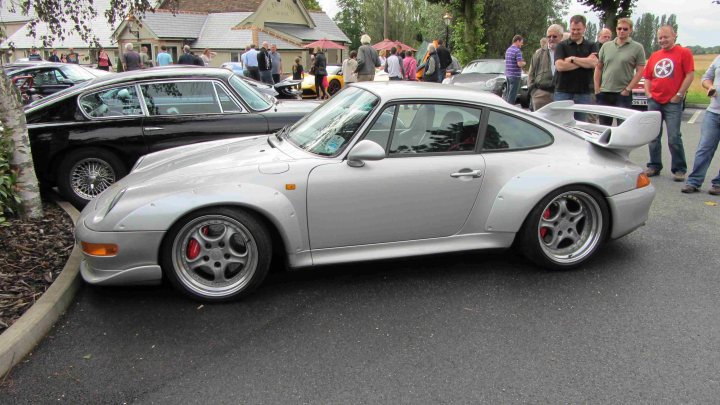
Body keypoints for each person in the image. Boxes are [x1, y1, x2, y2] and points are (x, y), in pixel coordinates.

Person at [642, 25, 694, 181]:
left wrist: (679, 95)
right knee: (653, 137)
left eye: (666, 37)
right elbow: (648, 77)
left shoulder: (684, 53)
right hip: (654, 101)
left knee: (674, 137)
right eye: (660, 38)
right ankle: (654, 165)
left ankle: (679, 169)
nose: (663, 40)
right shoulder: (655, 55)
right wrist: (648, 93)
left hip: (673, 102)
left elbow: (689, 75)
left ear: (674, 36)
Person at [594, 18, 646, 125]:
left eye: (625, 29)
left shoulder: (637, 48)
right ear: (616, 30)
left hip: (623, 93)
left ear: (630, 30)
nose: (622, 31)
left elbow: (640, 71)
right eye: (619, 28)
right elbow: (599, 67)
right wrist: (597, 88)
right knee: (604, 127)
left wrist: (628, 89)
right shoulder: (606, 46)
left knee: (623, 127)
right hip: (605, 92)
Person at [682, 55, 720, 195]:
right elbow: (705, 78)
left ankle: (718, 184)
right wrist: (710, 87)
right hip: (713, 112)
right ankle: (694, 182)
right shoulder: (718, 59)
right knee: (704, 148)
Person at [554, 15, 599, 122]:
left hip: (583, 93)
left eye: (578, 29)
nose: (575, 32)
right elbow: (560, 66)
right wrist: (584, 61)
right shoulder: (561, 46)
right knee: (560, 123)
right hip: (563, 92)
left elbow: (593, 63)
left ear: (584, 28)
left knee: (580, 125)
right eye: (573, 29)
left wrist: (573, 59)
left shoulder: (592, 45)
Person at [528, 24, 563, 111]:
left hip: (561, 95)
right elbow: (531, 73)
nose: (551, 39)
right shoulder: (538, 54)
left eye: (554, 36)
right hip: (541, 95)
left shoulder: (566, 52)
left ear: (561, 37)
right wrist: (533, 92)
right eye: (549, 36)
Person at [504, 35, 526, 104]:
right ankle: (510, 109)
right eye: (521, 42)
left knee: (508, 94)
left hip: (508, 75)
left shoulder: (508, 50)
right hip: (515, 76)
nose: (522, 44)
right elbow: (519, 64)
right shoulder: (517, 51)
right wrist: (524, 63)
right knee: (512, 95)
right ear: (517, 41)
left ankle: (505, 107)